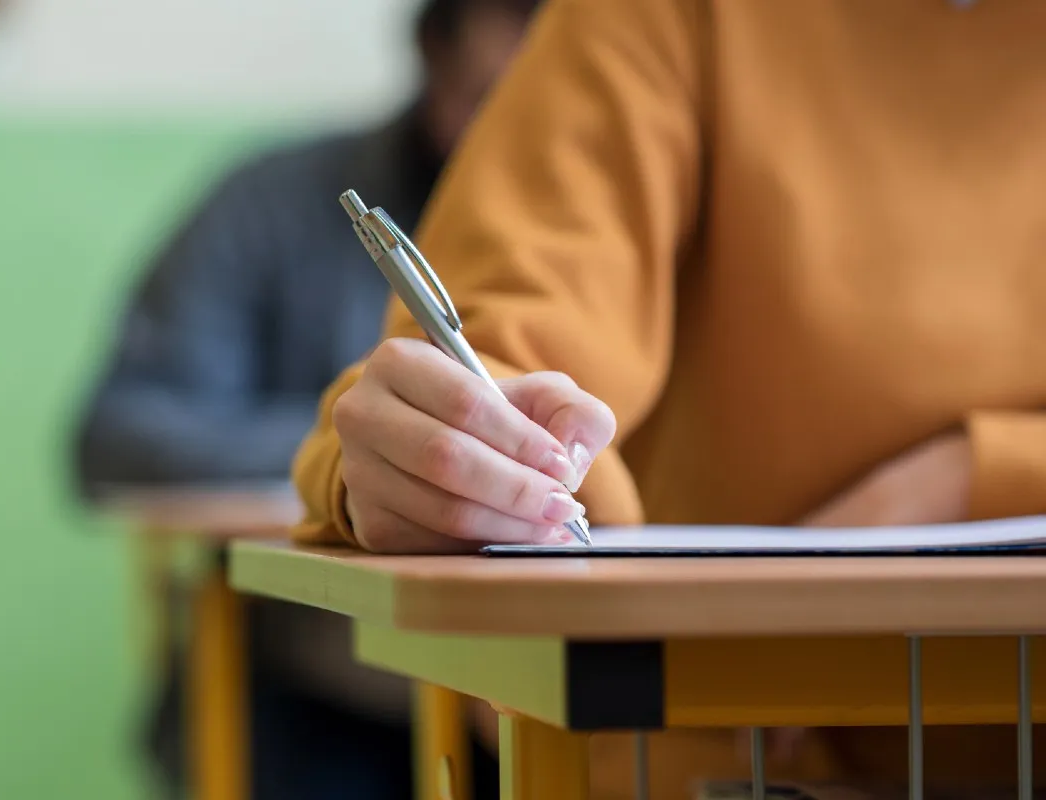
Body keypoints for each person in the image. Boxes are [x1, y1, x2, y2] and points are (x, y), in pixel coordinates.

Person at [291, 0, 1046, 797]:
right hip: (712, 756)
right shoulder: (665, 19)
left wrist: (964, 481)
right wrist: (447, 445)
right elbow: (509, 339)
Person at [72, 0, 542, 797]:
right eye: (496, 103)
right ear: (437, 51)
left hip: (540, 692)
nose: (524, 146)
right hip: (320, 695)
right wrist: (351, 450)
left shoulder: (635, 217)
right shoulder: (275, 202)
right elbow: (120, 434)